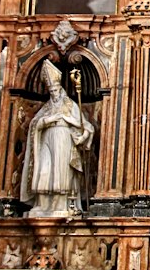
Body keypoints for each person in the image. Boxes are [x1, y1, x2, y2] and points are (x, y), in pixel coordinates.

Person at [20, 60, 94, 216]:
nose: (53, 93)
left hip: (63, 141)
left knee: (60, 172)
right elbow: (35, 123)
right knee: (44, 170)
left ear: (61, 89)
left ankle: (61, 204)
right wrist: (46, 121)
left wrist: (80, 136)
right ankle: (42, 204)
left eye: (56, 89)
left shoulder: (70, 105)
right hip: (46, 139)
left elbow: (85, 125)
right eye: (51, 90)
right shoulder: (47, 107)